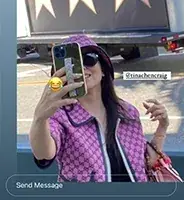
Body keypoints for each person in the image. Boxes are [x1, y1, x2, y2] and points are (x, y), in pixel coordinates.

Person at [30, 35, 170, 182]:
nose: (82, 67)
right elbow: (44, 154)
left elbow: (146, 162)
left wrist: (162, 127)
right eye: (72, 63)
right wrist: (40, 118)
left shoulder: (127, 111)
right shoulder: (60, 116)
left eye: (89, 58)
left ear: (104, 69)